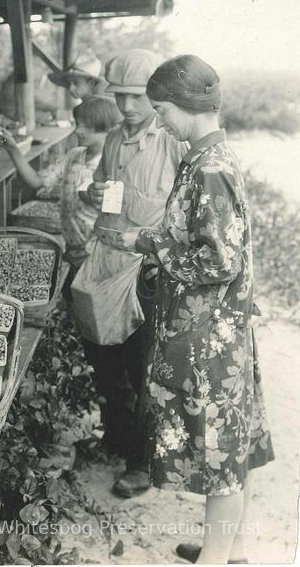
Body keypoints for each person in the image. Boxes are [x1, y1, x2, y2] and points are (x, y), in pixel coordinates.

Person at [120, 55, 274, 564]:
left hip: (208, 336)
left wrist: (150, 245)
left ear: (185, 105)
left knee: (220, 454)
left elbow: (220, 259)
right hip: (217, 329)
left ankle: (214, 559)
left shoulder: (209, 168)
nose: (159, 119)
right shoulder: (209, 156)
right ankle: (224, 548)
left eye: (162, 109)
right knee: (231, 448)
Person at [76, 49, 188, 498]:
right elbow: (94, 194)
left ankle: (141, 463)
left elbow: (188, 213)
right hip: (107, 261)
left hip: (148, 272)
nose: (127, 107)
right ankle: (116, 437)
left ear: (157, 95)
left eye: (137, 97)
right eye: (119, 96)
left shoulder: (172, 141)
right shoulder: (113, 140)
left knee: (143, 368)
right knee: (105, 356)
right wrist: (93, 191)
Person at [0, 95, 122, 268]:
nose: (79, 131)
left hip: (98, 249)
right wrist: (13, 149)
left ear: (108, 129)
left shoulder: (114, 164)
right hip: (72, 246)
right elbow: (36, 182)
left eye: (87, 126)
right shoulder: (73, 156)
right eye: (78, 124)